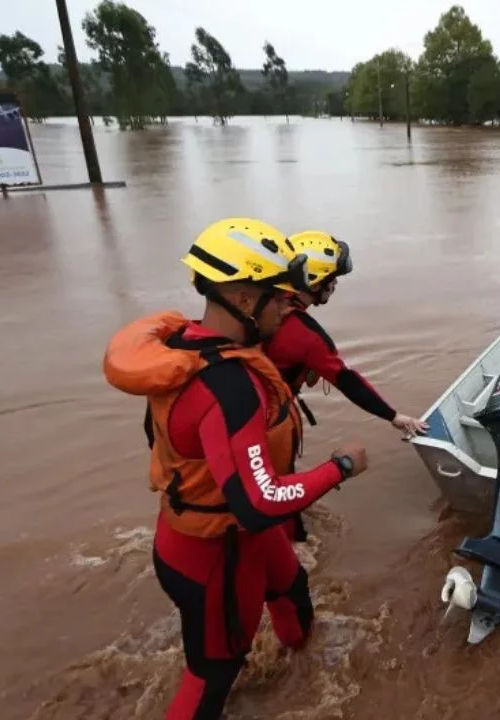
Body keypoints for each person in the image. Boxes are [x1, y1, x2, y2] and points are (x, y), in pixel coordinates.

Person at [103, 217, 371, 720]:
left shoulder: (189, 345)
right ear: (246, 299)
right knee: (213, 676)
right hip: (212, 554)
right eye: (281, 298)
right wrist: (340, 467)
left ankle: (302, 681)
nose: (291, 308)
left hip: (231, 535)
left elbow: (159, 440)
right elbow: (259, 501)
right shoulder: (229, 387)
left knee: (293, 593)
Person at [262, 229, 428, 542]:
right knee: (279, 500)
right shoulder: (306, 333)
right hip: (269, 423)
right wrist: (394, 416)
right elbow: (347, 379)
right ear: (313, 280)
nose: (335, 286)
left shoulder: (262, 309)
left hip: (245, 414)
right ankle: (292, 543)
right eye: (332, 279)